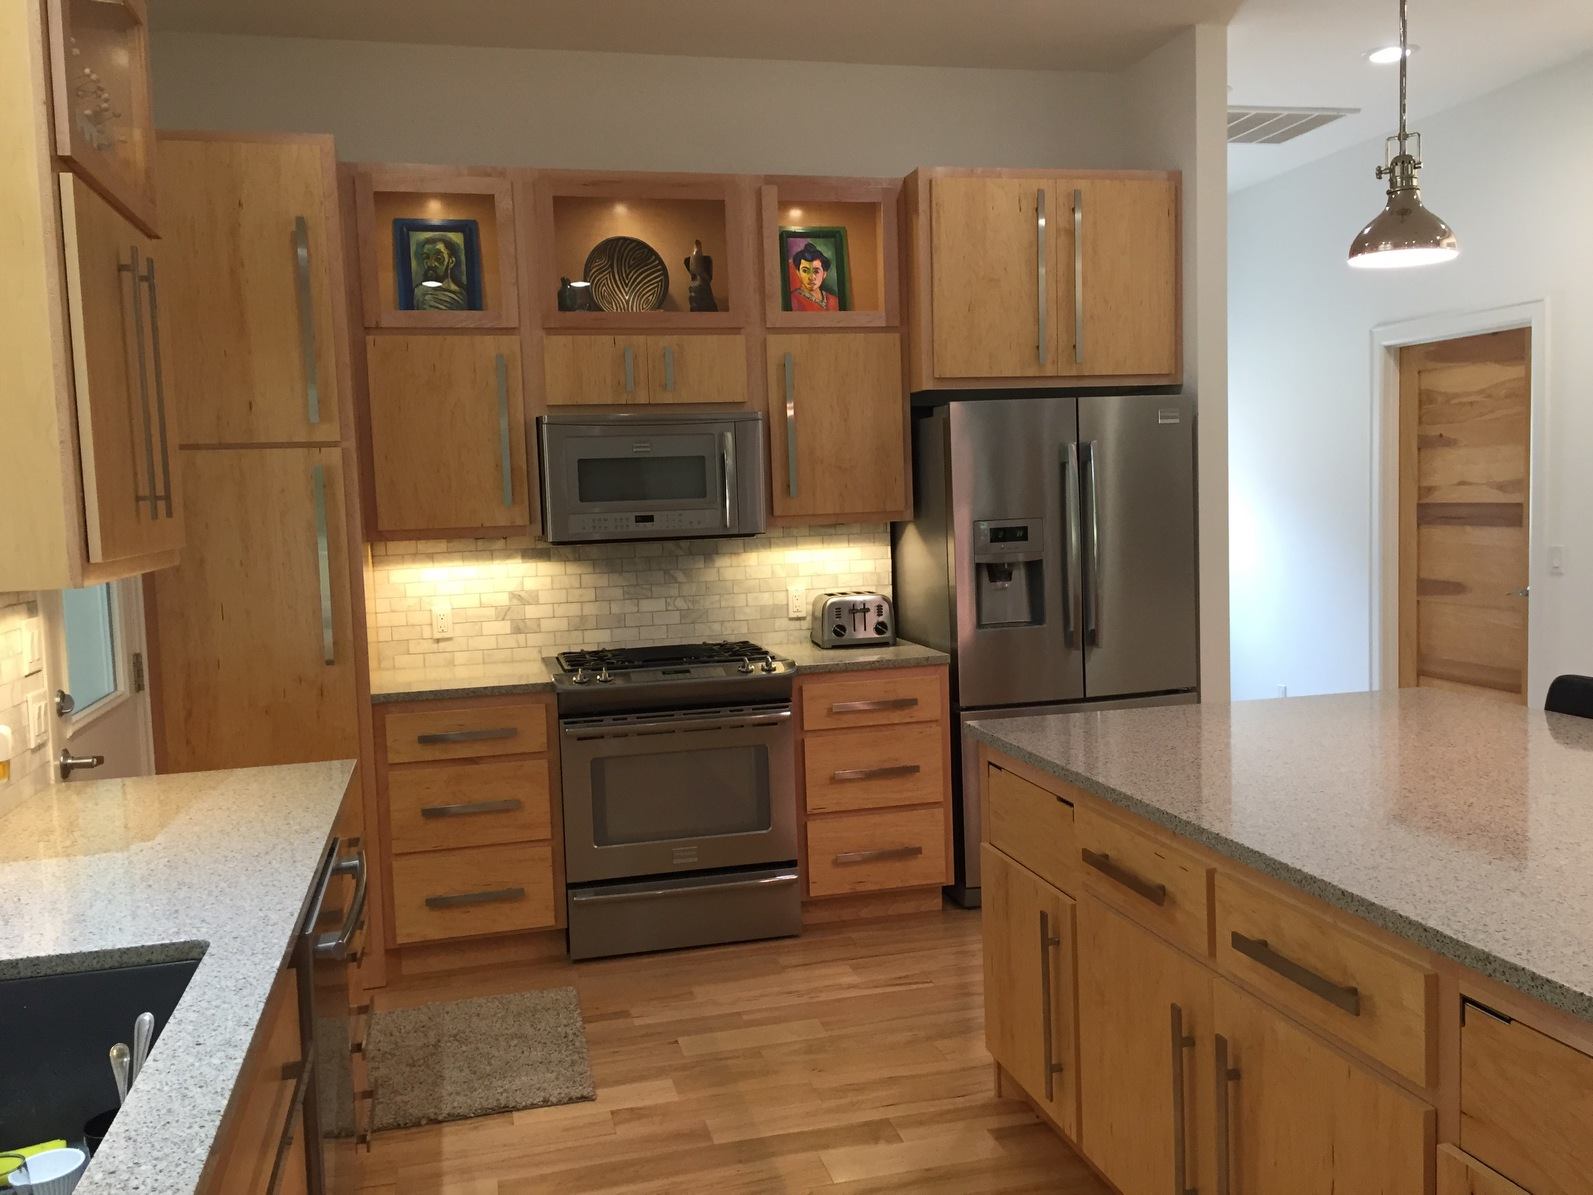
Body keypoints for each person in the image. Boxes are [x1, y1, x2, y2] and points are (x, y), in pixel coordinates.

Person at [413, 234, 468, 310]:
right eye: (426, 257)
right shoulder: (419, 293)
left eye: (438, 258)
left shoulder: (462, 297)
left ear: (451, 261)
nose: (430, 264)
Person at [788, 242, 838, 312]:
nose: (811, 277)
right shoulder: (792, 300)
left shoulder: (834, 300)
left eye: (816, 271)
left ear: (824, 274)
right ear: (798, 273)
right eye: (805, 271)